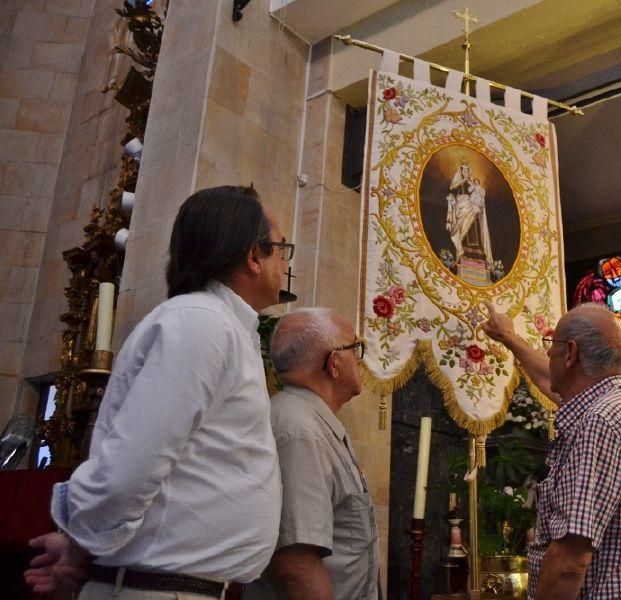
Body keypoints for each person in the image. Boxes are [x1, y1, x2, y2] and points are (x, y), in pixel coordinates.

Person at [24, 185, 292, 599]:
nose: (285, 262)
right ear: (253, 256)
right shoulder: (201, 323)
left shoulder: (220, 328)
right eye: (280, 248)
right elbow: (128, 471)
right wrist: (79, 553)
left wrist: (79, 549)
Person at [482, 301, 621, 599]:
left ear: (570, 353)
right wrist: (511, 340)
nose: (546, 354)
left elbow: (569, 561)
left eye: (550, 346)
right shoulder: (617, 404)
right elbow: (551, 381)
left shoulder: (599, 423)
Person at [248, 308, 380, 600]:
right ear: (334, 363)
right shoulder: (300, 431)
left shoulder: (310, 421)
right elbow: (297, 564)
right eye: (354, 348)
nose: (361, 360)